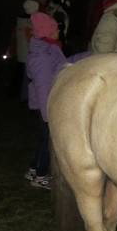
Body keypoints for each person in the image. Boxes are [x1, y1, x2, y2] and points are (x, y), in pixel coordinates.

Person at [25, 12, 89, 189]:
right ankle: (40, 175)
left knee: (43, 139)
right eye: (56, 28)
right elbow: (43, 86)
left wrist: (86, 56)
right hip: (46, 104)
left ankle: (34, 168)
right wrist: (49, 115)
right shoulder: (42, 56)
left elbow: (62, 65)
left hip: (47, 102)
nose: (59, 31)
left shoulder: (49, 48)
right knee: (48, 140)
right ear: (47, 31)